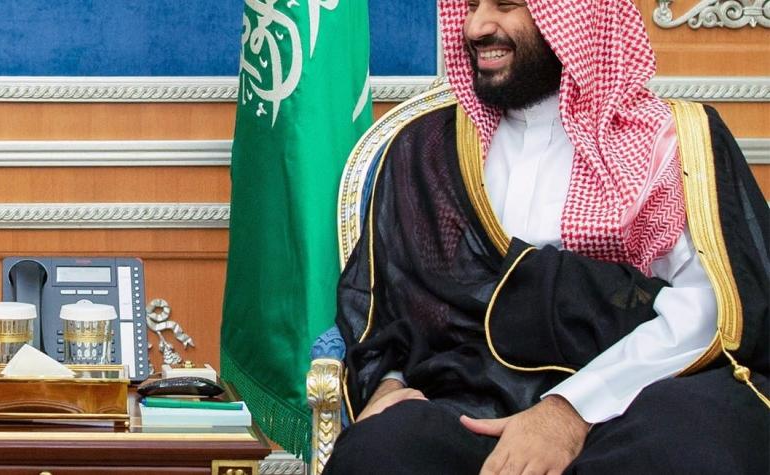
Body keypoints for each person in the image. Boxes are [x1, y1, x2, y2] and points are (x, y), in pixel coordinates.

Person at [322, 0, 769, 474]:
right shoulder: (427, 148)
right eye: (469, 6)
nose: (476, 27)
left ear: (580, 14)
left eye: (506, 5)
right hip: (468, 400)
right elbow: (390, 306)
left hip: (632, 393)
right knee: (382, 450)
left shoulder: (670, 142)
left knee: (691, 448)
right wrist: (388, 384)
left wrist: (570, 410)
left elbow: (711, 307)